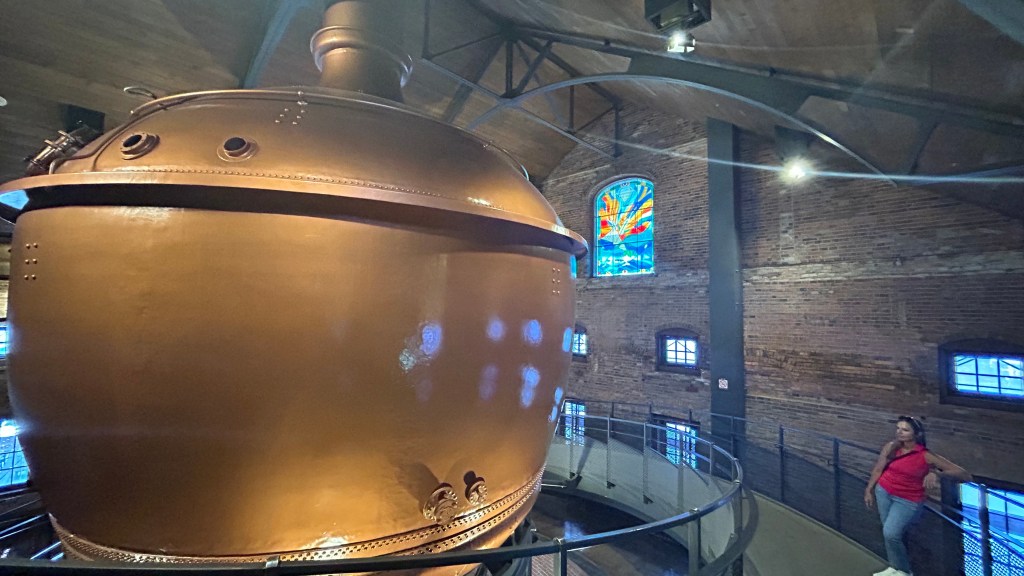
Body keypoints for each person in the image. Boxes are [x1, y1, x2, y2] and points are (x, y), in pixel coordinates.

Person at [863, 416, 972, 576]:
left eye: (905, 430)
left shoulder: (925, 455)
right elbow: (879, 469)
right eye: (898, 428)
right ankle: (895, 567)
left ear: (916, 434)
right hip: (884, 491)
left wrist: (937, 473)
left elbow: (964, 474)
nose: (900, 432)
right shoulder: (892, 447)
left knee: (891, 533)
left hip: (908, 500)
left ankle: (904, 571)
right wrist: (869, 489)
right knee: (889, 533)